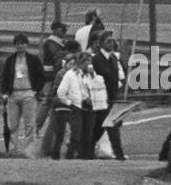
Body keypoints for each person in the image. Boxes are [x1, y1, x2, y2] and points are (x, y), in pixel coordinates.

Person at [0, 32, 43, 156]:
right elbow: (4, 77)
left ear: (26, 44)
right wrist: (4, 92)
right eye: (17, 44)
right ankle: (13, 150)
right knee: (12, 124)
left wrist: (36, 91)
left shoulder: (33, 59)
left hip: (29, 93)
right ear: (14, 45)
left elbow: (41, 76)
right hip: (13, 95)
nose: (20, 46)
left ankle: (29, 150)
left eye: (22, 43)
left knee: (30, 124)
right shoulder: (10, 60)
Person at [55, 49, 103, 159]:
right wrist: (69, 102)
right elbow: (60, 92)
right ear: (80, 62)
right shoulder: (70, 74)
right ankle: (70, 156)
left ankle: (84, 156)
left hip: (89, 107)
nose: (89, 64)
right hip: (76, 107)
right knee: (76, 134)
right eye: (87, 61)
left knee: (88, 134)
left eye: (90, 61)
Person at [90, 31, 128, 160]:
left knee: (100, 129)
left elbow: (115, 79)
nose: (111, 43)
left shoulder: (113, 59)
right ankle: (119, 155)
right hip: (101, 100)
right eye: (108, 41)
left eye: (112, 40)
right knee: (110, 127)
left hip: (112, 98)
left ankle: (86, 151)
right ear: (101, 43)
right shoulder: (96, 59)